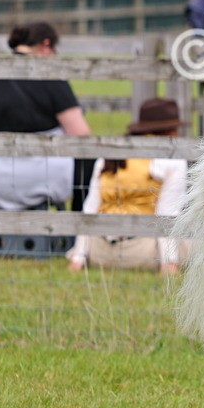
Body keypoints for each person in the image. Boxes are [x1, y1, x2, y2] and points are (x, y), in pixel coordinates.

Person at [0, 21, 92, 214]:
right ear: (46, 45)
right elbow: (81, 134)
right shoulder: (49, 75)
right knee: (90, 158)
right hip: (40, 176)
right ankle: (79, 228)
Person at [66, 98, 187, 275]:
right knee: (199, 238)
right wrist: (169, 263)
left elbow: (90, 208)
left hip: (99, 251)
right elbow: (167, 214)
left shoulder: (111, 155)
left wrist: (78, 258)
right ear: (170, 131)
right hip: (141, 253)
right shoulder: (172, 160)